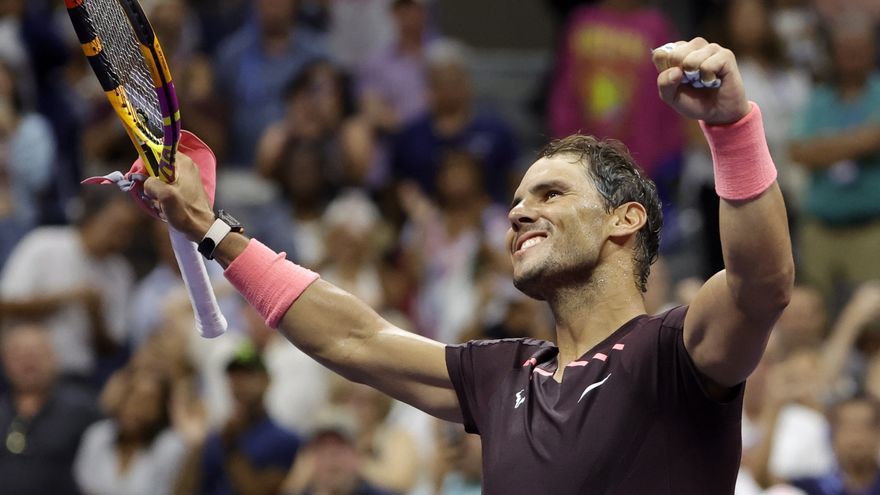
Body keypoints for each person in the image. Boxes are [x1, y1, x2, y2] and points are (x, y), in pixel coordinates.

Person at [145, 37, 794, 493]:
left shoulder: (674, 352)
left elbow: (761, 284)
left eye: (550, 194)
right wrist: (211, 229)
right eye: (515, 200)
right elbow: (354, 337)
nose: (517, 213)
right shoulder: (501, 374)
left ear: (625, 220)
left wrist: (732, 128)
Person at [0, 321, 99, 495]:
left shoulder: (82, 409)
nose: (28, 363)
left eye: (35, 354)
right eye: (18, 356)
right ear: (5, 363)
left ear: (54, 358)